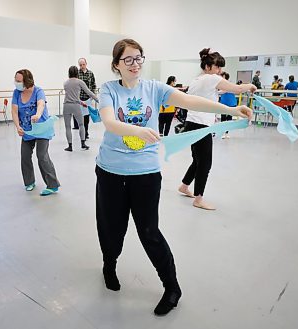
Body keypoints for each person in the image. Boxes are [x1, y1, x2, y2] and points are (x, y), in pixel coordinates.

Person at [96, 39, 252, 316]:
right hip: (110, 172)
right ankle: (109, 264)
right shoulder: (108, 89)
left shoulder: (154, 88)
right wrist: (136, 130)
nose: (135, 64)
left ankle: (172, 287)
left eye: (139, 58)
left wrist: (229, 110)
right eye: (128, 60)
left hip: (145, 173)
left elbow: (190, 100)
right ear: (116, 65)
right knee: (111, 228)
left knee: (149, 232)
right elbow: (109, 122)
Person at [177, 48, 256, 211]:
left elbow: (212, 92)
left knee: (197, 160)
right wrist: (251, 86)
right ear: (207, 66)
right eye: (217, 67)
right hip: (201, 125)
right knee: (205, 163)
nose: (219, 71)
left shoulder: (196, 80)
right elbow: (238, 89)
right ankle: (199, 199)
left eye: (220, 68)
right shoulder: (212, 78)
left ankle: (184, 186)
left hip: (191, 124)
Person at [11, 69, 60, 196]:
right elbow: (14, 111)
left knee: (42, 156)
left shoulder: (38, 91)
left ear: (27, 81)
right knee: (25, 156)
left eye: (19, 80)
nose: (16, 83)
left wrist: (38, 114)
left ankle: (52, 185)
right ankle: (29, 182)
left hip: (42, 128)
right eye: (15, 80)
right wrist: (17, 126)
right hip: (27, 130)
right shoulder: (17, 93)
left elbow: (41, 104)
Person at [63, 66, 98, 151]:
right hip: (75, 106)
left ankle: (70, 146)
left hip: (66, 105)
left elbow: (70, 96)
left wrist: (81, 102)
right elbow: (89, 92)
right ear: (77, 73)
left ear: (69, 73)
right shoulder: (79, 82)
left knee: (67, 127)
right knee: (81, 125)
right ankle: (83, 143)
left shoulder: (66, 83)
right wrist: (98, 99)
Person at [73, 57, 97, 138]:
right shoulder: (77, 74)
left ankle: (86, 131)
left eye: (83, 64)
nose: (82, 66)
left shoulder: (90, 73)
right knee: (80, 116)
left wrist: (93, 95)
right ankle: (82, 131)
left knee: (86, 116)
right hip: (79, 98)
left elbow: (93, 85)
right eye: (80, 65)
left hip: (88, 98)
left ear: (86, 64)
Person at [218, 72, 237, 139]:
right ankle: (223, 132)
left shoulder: (229, 84)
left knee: (229, 118)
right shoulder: (220, 84)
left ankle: (226, 133)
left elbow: (224, 91)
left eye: (222, 76)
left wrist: (215, 92)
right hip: (224, 102)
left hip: (231, 102)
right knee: (223, 117)